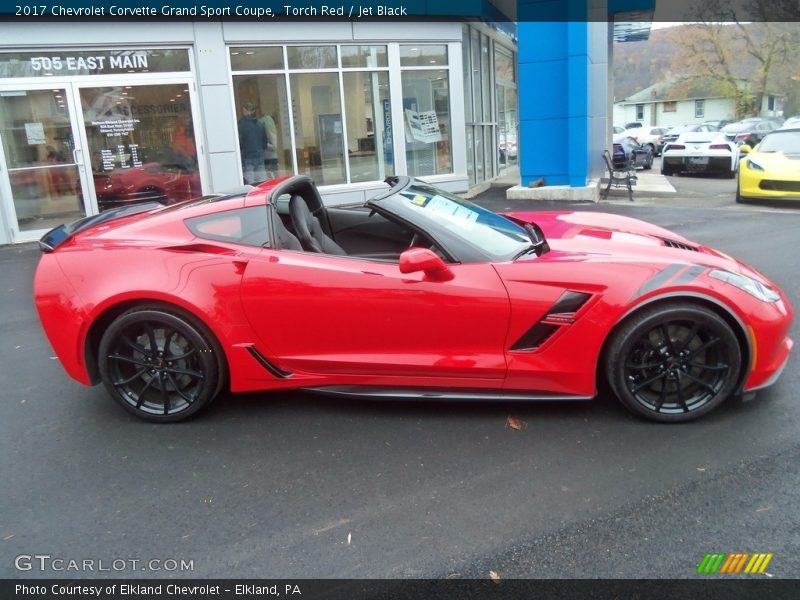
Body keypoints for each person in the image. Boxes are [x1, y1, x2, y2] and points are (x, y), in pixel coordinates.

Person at [237, 101, 268, 184]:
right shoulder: (260, 124)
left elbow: (239, 142)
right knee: (261, 182)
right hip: (259, 155)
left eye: (244, 110)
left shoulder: (241, 124)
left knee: (250, 183)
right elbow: (265, 141)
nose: (243, 112)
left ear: (249, 111)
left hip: (247, 156)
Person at [260, 113, 279, 178]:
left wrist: (265, 143)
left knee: (273, 178)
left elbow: (274, 147)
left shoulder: (272, 133)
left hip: (272, 159)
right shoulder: (265, 134)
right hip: (266, 158)